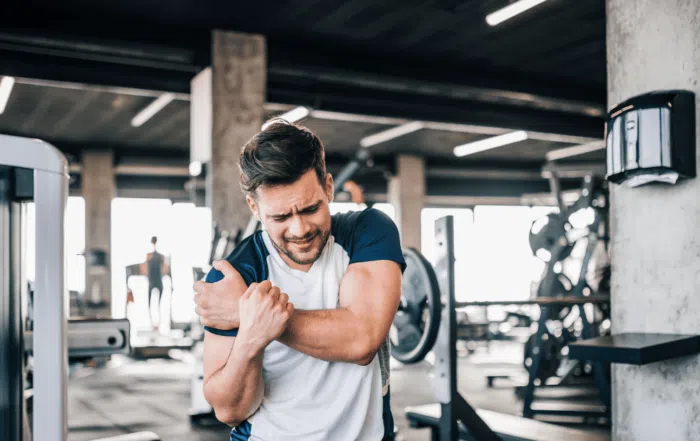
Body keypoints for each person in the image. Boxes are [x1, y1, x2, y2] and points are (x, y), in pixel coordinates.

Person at [193, 120, 405, 441]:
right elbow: (230, 410)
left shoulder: (368, 232)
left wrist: (251, 315)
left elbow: (362, 340)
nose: (300, 229)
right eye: (280, 217)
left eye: (310, 209)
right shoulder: (236, 276)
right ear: (255, 207)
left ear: (329, 188)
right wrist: (251, 337)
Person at [146, 236, 166, 330]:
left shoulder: (158, 256)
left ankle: (158, 324)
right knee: (151, 303)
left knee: (158, 304)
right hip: (153, 280)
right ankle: (152, 323)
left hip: (156, 280)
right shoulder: (150, 255)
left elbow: (164, 269)